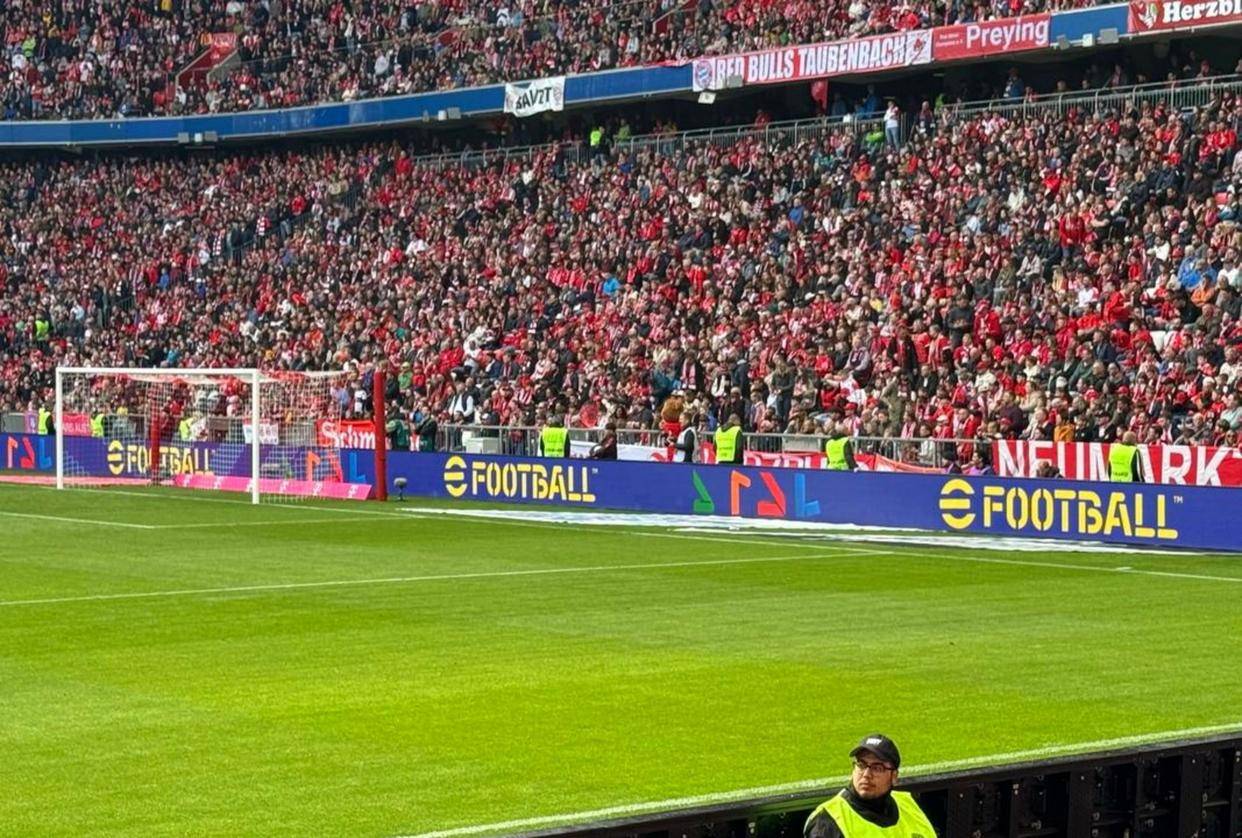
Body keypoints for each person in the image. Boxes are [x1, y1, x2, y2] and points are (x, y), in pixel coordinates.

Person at [805, 734, 936, 838]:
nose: (867, 774)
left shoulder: (908, 804)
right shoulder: (828, 820)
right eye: (861, 765)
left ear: (894, 777)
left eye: (877, 768)